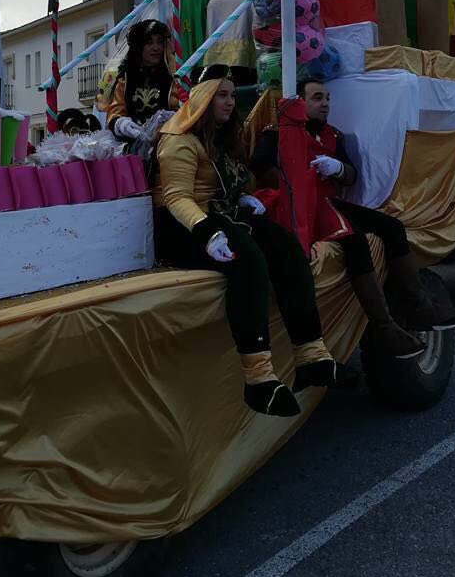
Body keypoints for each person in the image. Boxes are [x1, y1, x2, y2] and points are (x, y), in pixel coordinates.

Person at [153, 65, 357, 418]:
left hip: (222, 214)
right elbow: (176, 197)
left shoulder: (221, 137)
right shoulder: (178, 139)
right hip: (183, 226)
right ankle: (258, 379)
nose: (231, 102)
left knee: (286, 247)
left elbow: (236, 179)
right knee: (248, 260)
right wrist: (206, 232)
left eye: (233, 95)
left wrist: (245, 197)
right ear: (203, 99)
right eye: (222, 95)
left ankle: (312, 355)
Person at [250, 79, 455, 359]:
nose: (325, 104)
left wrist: (338, 169)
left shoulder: (332, 135)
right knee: (354, 241)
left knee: (392, 227)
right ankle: (385, 328)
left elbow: (352, 175)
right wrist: (297, 178)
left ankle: (420, 305)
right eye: (317, 98)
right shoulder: (277, 133)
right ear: (299, 102)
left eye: (327, 98)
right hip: (297, 204)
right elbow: (259, 167)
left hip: (329, 201)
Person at [105, 19, 178, 161]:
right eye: (149, 43)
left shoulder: (173, 77)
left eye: (160, 42)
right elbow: (115, 112)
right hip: (133, 149)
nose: (156, 48)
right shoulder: (125, 80)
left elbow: (182, 109)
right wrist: (121, 124)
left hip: (167, 147)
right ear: (138, 47)